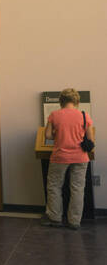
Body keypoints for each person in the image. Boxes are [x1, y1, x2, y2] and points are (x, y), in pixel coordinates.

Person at [42, 88, 95, 231]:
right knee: (77, 189)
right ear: (76, 101)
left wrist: (58, 135)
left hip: (59, 157)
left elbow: (47, 136)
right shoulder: (84, 115)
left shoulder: (54, 115)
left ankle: (55, 218)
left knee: (54, 187)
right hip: (80, 157)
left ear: (61, 101)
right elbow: (90, 138)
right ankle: (74, 221)